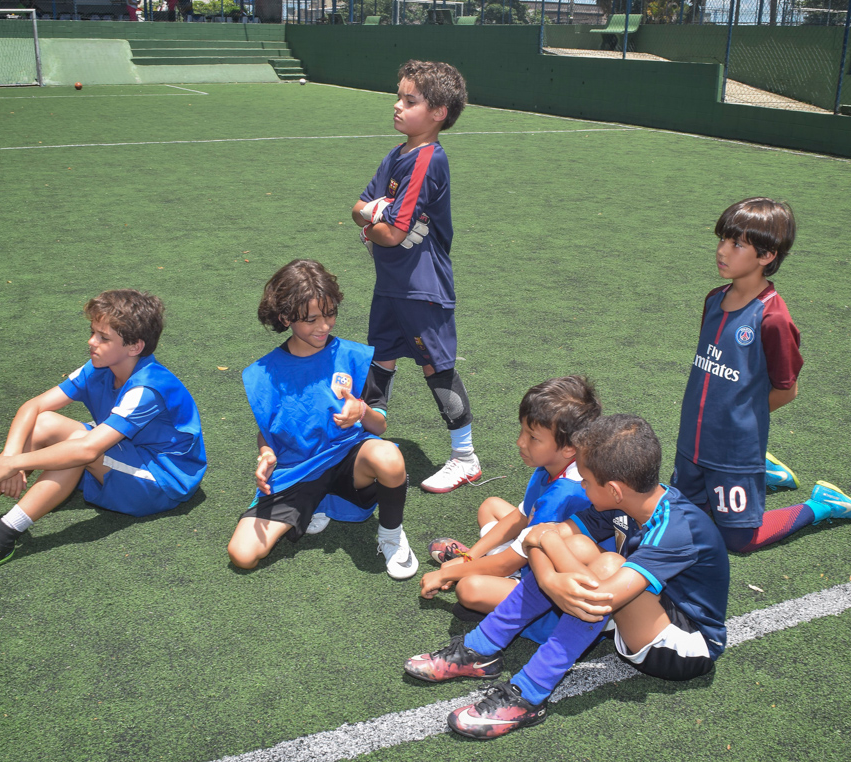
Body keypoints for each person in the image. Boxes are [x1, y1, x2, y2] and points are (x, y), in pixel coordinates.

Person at [404, 414, 730, 739]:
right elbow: (538, 536)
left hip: (683, 645)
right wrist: (549, 578)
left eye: (585, 481)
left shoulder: (676, 529)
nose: (582, 487)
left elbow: (597, 594)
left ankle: (529, 695)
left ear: (614, 490)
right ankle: (479, 650)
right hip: (636, 609)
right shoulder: (622, 502)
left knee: (607, 566)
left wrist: (548, 557)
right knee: (576, 546)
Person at [0, 290, 207, 579]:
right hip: (127, 456)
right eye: (92, 332)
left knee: (78, 448)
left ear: (134, 347)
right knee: (44, 423)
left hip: (161, 481)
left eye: (103, 337)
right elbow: (34, 407)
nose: (91, 342)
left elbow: (86, 451)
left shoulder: (148, 388)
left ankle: (3, 537)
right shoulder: (99, 367)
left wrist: (19, 462)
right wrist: (10, 458)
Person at [674, 197, 851, 554]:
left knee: (740, 541)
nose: (722, 250)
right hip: (692, 444)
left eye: (737, 244)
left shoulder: (773, 319)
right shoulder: (713, 300)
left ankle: (822, 505)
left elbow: (787, 390)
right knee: (681, 523)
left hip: (733, 450)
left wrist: (740, 421)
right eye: (723, 239)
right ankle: (766, 474)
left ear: (766, 255)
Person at [228, 259, 418, 579]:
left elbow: (380, 426)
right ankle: (316, 503)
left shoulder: (354, 357)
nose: (324, 326)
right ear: (285, 317)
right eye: (312, 319)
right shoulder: (263, 373)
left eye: (330, 314)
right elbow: (268, 430)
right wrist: (266, 452)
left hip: (348, 461)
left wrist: (361, 411)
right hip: (298, 471)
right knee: (242, 555)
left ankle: (391, 535)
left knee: (388, 456)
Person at [352, 60, 480, 495]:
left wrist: (371, 225)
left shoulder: (428, 160)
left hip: (423, 288)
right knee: (380, 359)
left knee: (436, 367)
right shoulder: (397, 155)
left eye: (410, 101)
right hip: (391, 285)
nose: (397, 106)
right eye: (399, 97)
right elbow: (358, 207)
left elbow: (391, 233)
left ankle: (465, 458)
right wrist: (374, 216)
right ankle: (366, 442)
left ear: (439, 112)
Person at [419, 376, 600, 629]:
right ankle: (480, 566)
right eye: (522, 430)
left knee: (470, 589)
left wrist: (446, 573)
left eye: (533, 437)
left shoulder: (564, 494)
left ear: (569, 447)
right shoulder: (553, 463)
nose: (520, 442)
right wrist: (470, 557)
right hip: (537, 550)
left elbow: (510, 561)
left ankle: (508, 597)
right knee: (491, 506)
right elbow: (521, 516)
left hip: (553, 585)